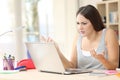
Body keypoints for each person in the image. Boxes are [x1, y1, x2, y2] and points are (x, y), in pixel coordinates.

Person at [42, 5, 119, 70]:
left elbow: (114, 66)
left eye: (84, 23)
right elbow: (71, 66)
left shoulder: (108, 34)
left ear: (94, 22)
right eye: (78, 23)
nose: (80, 27)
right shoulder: (78, 37)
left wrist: (102, 60)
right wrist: (58, 52)